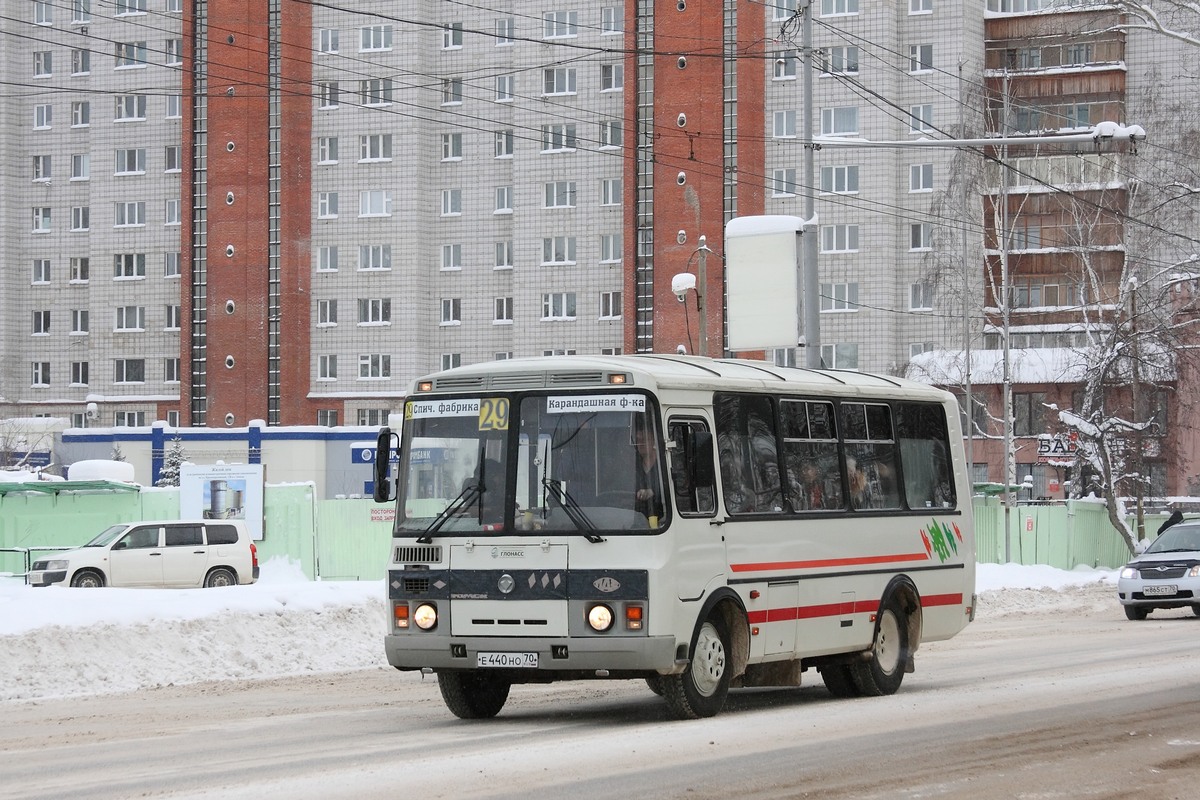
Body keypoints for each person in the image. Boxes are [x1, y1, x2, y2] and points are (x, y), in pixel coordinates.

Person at [633, 424, 664, 526]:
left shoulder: (664, 463)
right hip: (637, 521)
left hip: (664, 522)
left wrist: (653, 492)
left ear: (654, 441)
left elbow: (680, 488)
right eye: (638, 440)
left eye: (645, 439)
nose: (641, 443)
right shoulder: (633, 465)